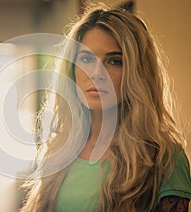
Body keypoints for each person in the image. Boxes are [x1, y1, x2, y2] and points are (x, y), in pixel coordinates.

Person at [20, 3, 191, 212]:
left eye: (114, 61)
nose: (97, 73)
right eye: (86, 59)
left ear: (137, 73)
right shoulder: (59, 148)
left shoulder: (165, 159)